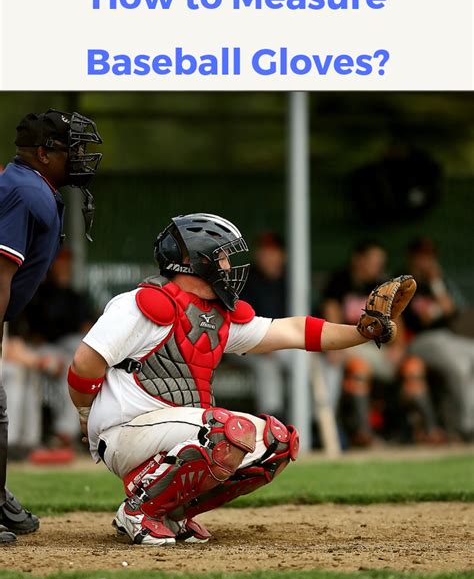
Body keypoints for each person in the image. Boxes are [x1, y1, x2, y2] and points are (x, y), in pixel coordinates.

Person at [69, 213, 414, 547]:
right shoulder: (141, 304)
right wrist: (86, 417)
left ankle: (169, 512)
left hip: (173, 434)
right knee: (227, 432)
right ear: (193, 260)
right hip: (125, 431)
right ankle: (139, 511)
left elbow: (293, 330)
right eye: (219, 257)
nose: (227, 266)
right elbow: (85, 364)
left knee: (277, 443)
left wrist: (360, 332)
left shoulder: (213, 316)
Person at [0, 108, 102, 544]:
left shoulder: (28, 185)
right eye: (70, 149)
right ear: (44, 153)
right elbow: (1, 272)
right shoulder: (25, 192)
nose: (79, 157)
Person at [320, 240, 437, 445]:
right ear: (358, 260)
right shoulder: (339, 282)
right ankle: (364, 435)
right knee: (360, 368)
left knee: (413, 368)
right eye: (373, 261)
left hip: (379, 350)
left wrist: (399, 347)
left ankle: (430, 432)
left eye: (380, 262)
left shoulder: (384, 284)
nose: (377, 266)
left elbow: (396, 322)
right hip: (350, 346)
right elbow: (332, 321)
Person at [404, 236, 474, 440]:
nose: (428, 261)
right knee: (460, 366)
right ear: (413, 258)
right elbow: (426, 317)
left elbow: (450, 308)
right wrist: (439, 307)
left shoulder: (437, 282)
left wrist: (435, 281)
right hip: (419, 340)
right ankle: (467, 426)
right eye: (422, 257)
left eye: (430, 256)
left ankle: (467, 421)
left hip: (447, 338)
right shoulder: (404, 281)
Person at [241, 232, 290, 419]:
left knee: (311, 362)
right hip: (250, 343)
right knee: (267, 364)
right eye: (262, 251)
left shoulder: (292, 279)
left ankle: (315, 421)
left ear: (282, 255)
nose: (265, 255)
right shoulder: (245, 278)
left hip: (285, 344)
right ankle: (272, 423)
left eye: (271, 251)